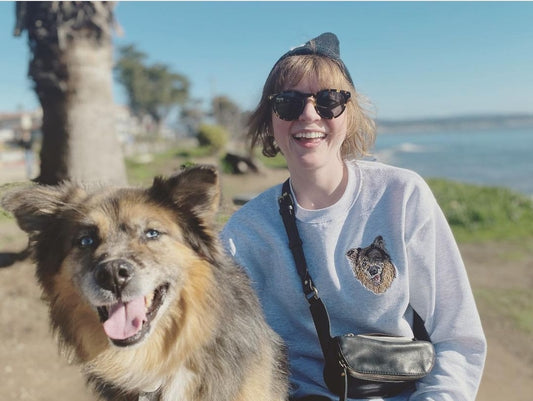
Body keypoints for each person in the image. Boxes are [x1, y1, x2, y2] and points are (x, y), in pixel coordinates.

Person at [220, 32, 486, 401]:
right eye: (288, 102)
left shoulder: (401, 196)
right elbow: (217, 349)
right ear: (270, 120)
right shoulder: (244, 234)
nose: (310, 115)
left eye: (329, 100)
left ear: (349, 114)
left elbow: (458, 337)